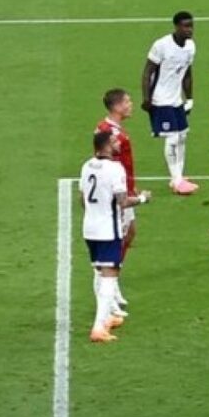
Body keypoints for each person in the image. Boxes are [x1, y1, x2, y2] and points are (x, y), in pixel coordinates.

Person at [79, 130, 152, 342]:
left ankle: (107, 317)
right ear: (105, 146)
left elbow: (82, 199)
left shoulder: (86, 166)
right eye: (114, 141)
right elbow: (122, 201)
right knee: (110, 274)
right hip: (107, 230)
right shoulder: (115, 168)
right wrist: (143, 199)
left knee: (99, 271)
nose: (118, 143)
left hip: (90, 228)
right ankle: (98, 328)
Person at [141, 11, 199, 195]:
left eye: (191, 26)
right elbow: (147, 72)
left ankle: (178, 177)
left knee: (182, 136)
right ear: (176, 27)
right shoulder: (161, 45)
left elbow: (187, 74)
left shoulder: (190, 47)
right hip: (160, 99)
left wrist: (189, 98)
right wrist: (146, 98)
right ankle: (176, 180)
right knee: (173, 138)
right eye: (185, 26)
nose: (189, 29)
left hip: (176, 100)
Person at [95, 88, 138, 312]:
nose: (131, 105)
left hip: (124, 188)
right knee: (113, 242)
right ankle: (106, 290)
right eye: (127, 102)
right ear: (117, 106)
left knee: (129, 233)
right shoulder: (109, 133)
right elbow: (103, 162)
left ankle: (113, 282)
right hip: (115, 195)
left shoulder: (112, 129)